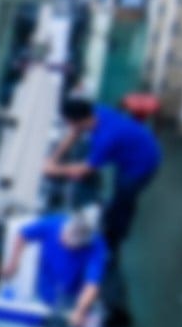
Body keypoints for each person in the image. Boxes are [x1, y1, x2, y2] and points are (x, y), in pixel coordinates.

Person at [46, 96, 163, 249]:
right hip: (137, 147)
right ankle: (112, 214)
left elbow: (87, 168)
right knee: (118, 190)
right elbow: (75, 132)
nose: (68, 125)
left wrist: (55, 170)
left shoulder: (105, 138)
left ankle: (115, 238)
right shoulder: (94, 112)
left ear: (75, 120)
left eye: (68, 121)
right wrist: (54, 158)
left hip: (142, 164)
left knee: (124, 198)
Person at [0, 205, 109, 327]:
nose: (67, 244)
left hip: (72, 298)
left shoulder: (97, 247)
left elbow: (92, 285)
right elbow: (22, 235)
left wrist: (80, 311)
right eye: (66, 238)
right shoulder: (53, 224)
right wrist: (13, 263)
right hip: (44, 291)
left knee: (75, 326)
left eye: (74, 246)